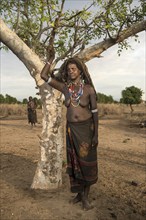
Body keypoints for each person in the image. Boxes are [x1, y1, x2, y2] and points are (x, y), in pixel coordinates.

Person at [41, 57, 98, 210]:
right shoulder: (66, 88)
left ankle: (85, 197)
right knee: (74, 163)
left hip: (86, 130)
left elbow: (95, 114)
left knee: (85, 165)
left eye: (74, 69)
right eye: (68, 69)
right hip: (71, 129)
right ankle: (79, 195)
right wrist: (49, 60)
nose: (70, 71)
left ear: (80, 70)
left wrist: (96, 135)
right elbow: (44, 76)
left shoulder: (89, 89)